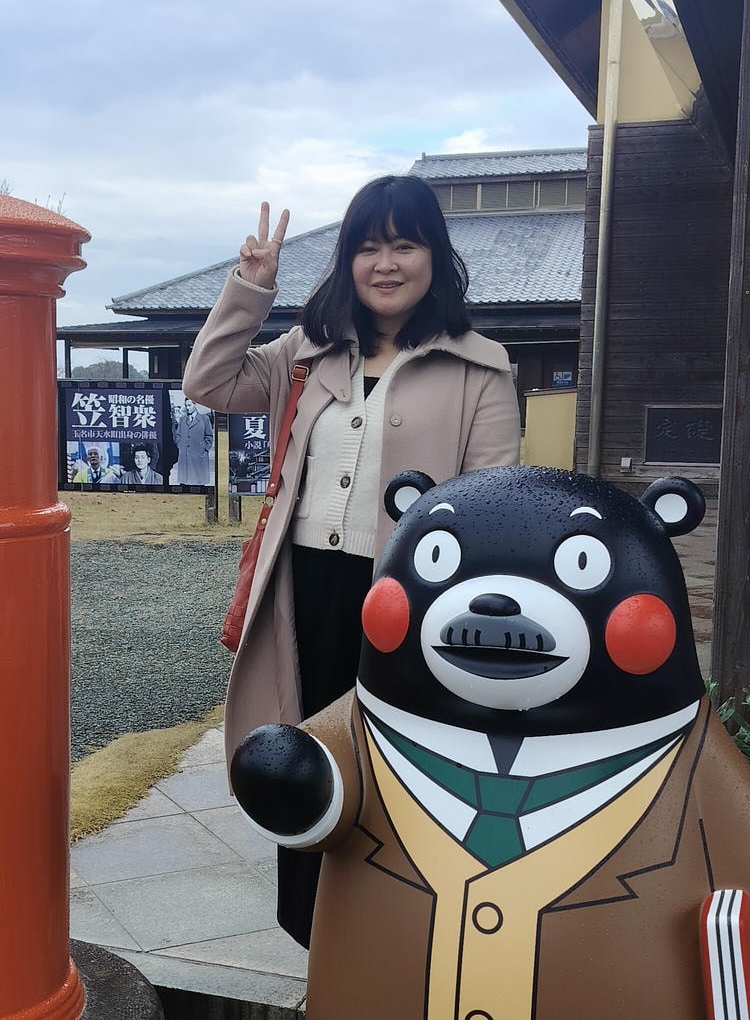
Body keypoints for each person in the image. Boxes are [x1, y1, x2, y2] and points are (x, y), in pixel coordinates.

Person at [184, 173, 521, 946]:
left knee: (394, 760)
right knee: (301, 746)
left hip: (407, 601)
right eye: (369, 247)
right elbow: (207, 380)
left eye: (405, 244)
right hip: (304, 592)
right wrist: (250, 289)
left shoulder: (480, 368)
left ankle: (390, 929)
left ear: (435, 256)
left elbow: (493, 510)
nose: (387, 263)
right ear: (347, 261)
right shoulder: (304, 353)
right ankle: (309, 922)